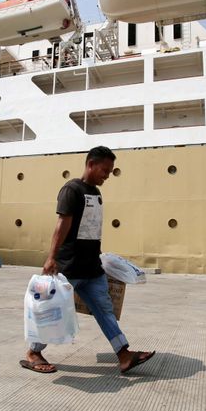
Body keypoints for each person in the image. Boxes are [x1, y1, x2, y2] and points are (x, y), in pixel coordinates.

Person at [20, 146, 155, 374]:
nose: (107, 176)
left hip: (93, 268)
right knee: (55, 311)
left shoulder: (96, 193)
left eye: (110, 172)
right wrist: (51, 257)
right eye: (105, 170)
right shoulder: (71, 190)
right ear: (91, 164)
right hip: (69, 268)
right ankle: (34, 351)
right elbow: (62, 225)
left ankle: (124, 355)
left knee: (105, 309)